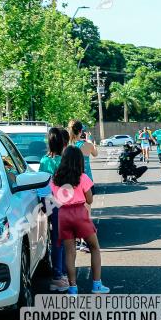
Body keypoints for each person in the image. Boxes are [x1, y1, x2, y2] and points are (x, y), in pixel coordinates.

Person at [51, 146, 110, 296]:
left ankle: (73, 288)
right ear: (79, 161)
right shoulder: (82, 177)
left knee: (70, 253)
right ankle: (97, 285)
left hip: (63, 214)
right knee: (94, 247)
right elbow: (89, 199)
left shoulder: (55, 178)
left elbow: (55, 198)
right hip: (79, 213)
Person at [39, 127, 69, 292]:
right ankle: (59, 276)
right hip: (65, 204)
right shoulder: (65, 160)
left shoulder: (44, 160)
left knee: (57, 239)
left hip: (50, 203)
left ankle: (60, 274)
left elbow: (41, 186)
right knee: (63, 240)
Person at [68, 120, 97, 253]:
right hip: (86, 181)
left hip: (71, 181)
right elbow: (95, 153)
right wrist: (91, 141)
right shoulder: (87, 145)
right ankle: (85, 241)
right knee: (86, 210)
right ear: (81, 131)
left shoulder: (68, 145)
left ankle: (76, 239)